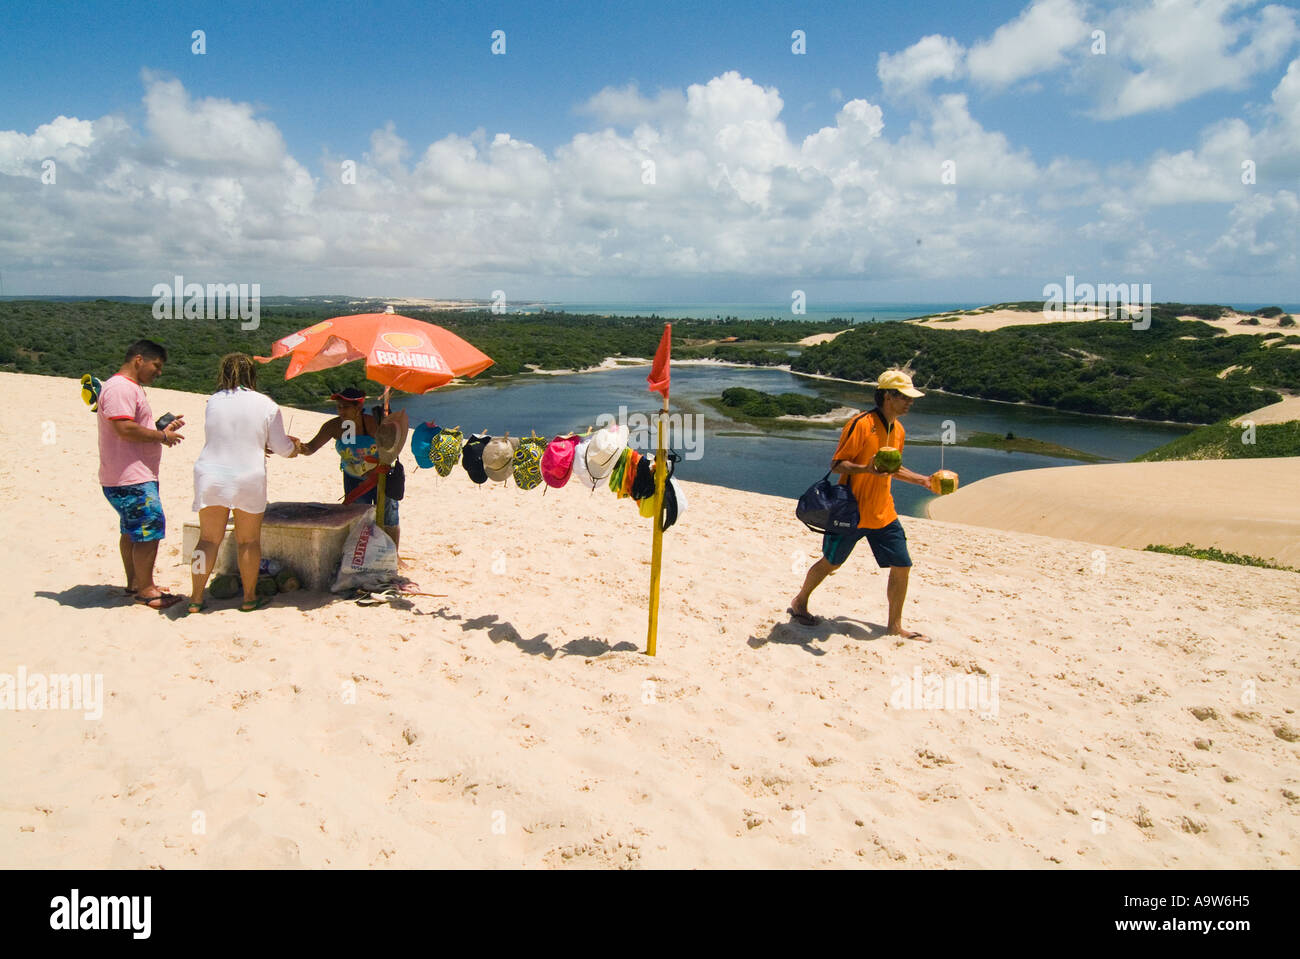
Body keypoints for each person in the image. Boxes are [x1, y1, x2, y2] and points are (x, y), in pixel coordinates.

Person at [789, 369, 941, 640]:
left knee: (902, 565)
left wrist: (924, 481)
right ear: (886, 396)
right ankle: (800, 602)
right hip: (851, 511)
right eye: (904, 396)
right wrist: (866, 469)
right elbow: (837, 464)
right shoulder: (861, 424)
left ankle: (894, 626)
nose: (910, 402)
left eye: (911, 397)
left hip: (883, 512)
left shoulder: (899, 429)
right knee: (830, 563)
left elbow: (892, 468)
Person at [187, 353, 300, 614]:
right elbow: (282, 448)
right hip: (248, 475)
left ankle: (194, 597)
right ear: (252, 375)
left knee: (207, 540)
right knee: (248, 541)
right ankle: (249, 597)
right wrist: (295, 447)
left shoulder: (212, 401)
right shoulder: (266, 404)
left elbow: (227, 434)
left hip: (210, 474)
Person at [97, 339, 186, 610]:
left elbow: (133, 426)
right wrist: (162, 435)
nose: (158, 372)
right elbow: (124, 428)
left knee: (132, 531)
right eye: (156, 366)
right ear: (139, 359)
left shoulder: (126, 388)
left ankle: (137, 582)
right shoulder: (121, 388)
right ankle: (146, 590)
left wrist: (160, 429)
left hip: (129, 474)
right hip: (130, 477)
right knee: (150, 529)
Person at [296, 387, 401, 551]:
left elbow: (392, 448)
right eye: (339, 407)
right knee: (360, 519)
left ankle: (393, 555)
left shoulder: (374, 423)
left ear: (358, 407)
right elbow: (311, 448)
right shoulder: (334, 426)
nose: (341, 411)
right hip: (354, 477)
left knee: (389, 517)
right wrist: (296, 447)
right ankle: (365, 554)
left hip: (380, 475)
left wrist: (388, 424)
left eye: (345, 407)